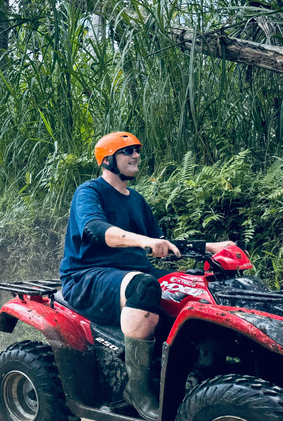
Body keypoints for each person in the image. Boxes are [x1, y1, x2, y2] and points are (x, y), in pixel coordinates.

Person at [59, 132, 233, 421]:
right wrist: (143, 241)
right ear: (107, 160)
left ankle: (199, 375)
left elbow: (164, 243)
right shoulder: (90, 192)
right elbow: (98, 230)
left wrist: (214, 247)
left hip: (132, 272)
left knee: (194, 289)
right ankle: (137, 390)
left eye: (137, 150)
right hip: (87, 275)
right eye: (126, 151)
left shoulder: (137, 200)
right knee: (144, 286)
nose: (135, 155)